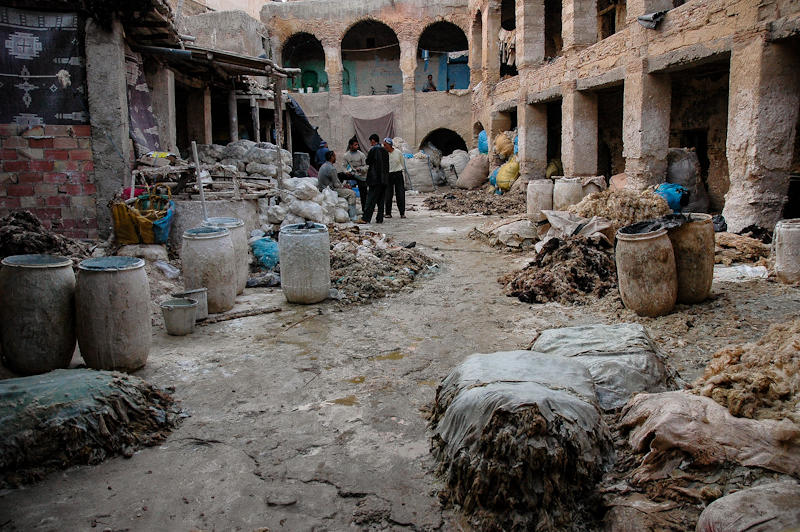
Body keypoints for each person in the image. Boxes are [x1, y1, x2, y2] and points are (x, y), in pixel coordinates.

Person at [317, 150, 358, 221]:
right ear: (331, 157)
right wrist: (344, 186)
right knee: (352, 193)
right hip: (330, 190)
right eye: (335, 156)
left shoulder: (323, 166)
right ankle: (353, 216)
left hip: (323, 188)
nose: (335, 158)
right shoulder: (331, 168)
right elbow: (336, 184)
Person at [359, 133, 389, 224]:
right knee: (380, 200)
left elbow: (368, 161)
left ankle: (365, 218)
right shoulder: (385, 150)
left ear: (373, 141)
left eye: (370, 141)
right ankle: (379, 218)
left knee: (371, 199)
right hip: (384, 179)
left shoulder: (373, 150)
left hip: (375, 179)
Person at [342, 137, 368, 214]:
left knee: (363, 193)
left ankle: (365, 209)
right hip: (352, 173)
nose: (357, 146)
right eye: (355, 145)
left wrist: (361, 169)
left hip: (361, 175)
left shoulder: (361, 154)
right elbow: (343, 166)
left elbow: (366, 166)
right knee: (340, 176)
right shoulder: (346, 155)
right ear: (350, 146)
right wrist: (346, 172)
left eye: (357, 145)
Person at [382, 138, 406, 219]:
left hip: (398, 174)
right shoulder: (384, 153)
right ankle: (388, 213)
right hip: (388, 175)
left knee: (400, 194)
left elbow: (402, 163)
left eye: (385, 145)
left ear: (390, 145)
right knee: (388, 194)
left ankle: (402, 213)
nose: (384, 146)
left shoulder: (398, 152)